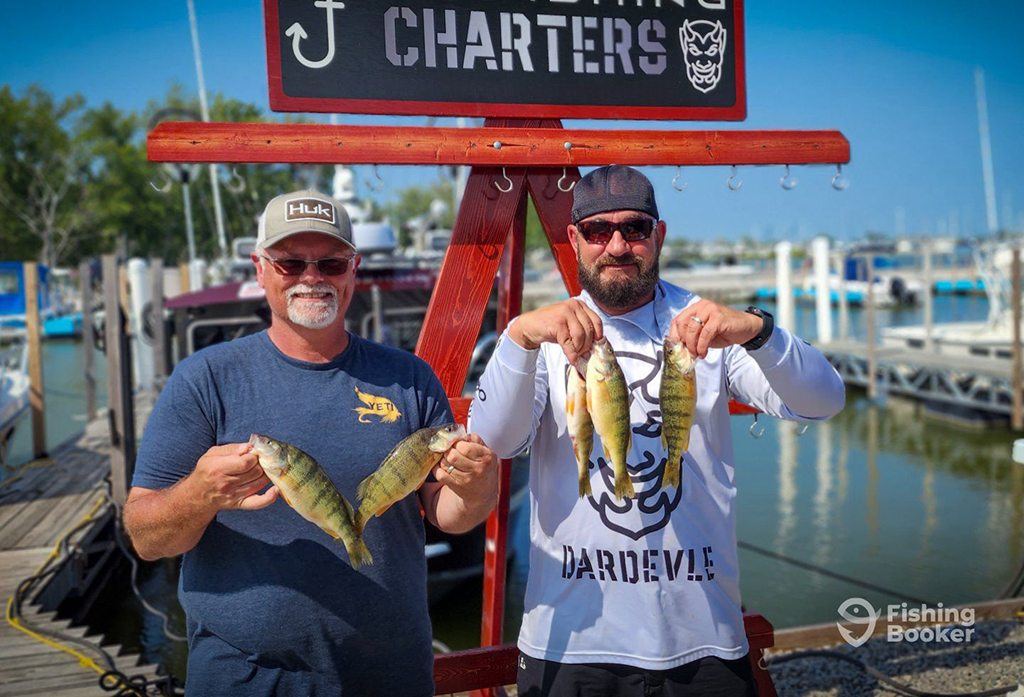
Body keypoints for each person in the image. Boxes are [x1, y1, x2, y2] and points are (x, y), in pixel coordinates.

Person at [469, 165, 845, 696]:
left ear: (659, 235)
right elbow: (496, 442)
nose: (618, 245)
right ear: (575, 240)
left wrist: (759, 330)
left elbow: (824, 401)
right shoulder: (548, 333)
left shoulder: (704, 327)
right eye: (599, 231)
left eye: (635, 229)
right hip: (570, 645)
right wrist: (519, 336)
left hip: (704, 641)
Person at [123, 189, 498, 696]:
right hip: (247, 679)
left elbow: (447, 512)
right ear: (260, 269)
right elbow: (146, 538)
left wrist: (477, 488)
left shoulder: (409, 377)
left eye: (331, 262)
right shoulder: (204, 379)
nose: (312, 277)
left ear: (353, 269)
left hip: (392, 674)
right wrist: (199, 495)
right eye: (290, 262)